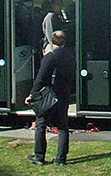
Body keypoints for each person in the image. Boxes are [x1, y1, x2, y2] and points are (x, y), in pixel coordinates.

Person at [27, 30, 75, 166]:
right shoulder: (71, 57)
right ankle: (60, 158)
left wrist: (32, 95)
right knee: (62, 127)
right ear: (65, 42)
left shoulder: (50, 56)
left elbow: (40, 79)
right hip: (64, 95)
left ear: (52, 41)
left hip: (49, 96)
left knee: (41, 124)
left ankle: (39, 156)